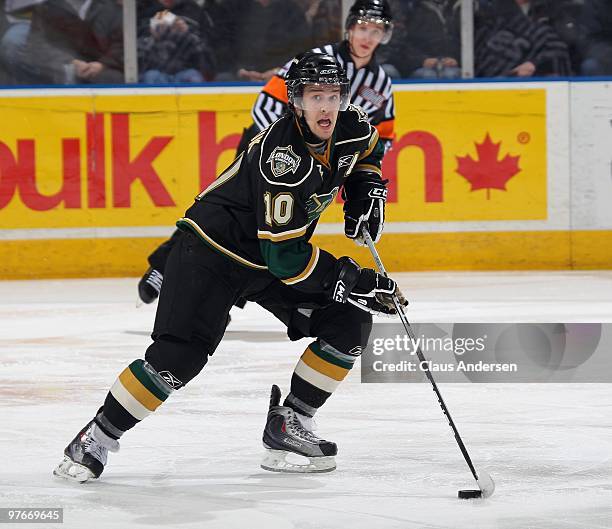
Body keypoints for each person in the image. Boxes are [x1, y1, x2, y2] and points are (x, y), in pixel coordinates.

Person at [54, 52, 406, 481]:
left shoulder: (352, 127)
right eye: (316, 96)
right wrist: (351, 278)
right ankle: (95, 438)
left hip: (263, 258)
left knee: (348, 324)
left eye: (334, 95)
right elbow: (288, 259)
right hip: (210, 254)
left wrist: (367, 186)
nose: (327, 106)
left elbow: (367, 151)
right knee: (178, 358)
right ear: (296, 100)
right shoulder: (284, 160)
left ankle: (288, 423)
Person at [137, 0, 396, 305]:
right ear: (350, 27)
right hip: (267, 154)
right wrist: (292, 151)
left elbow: (383, 136)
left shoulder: (380, 84)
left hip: (321, 164)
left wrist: (360, 179)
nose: (367, 37)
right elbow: (265, 104)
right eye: (363, 28)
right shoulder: (317, 60)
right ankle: (165, 266)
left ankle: (226, 289)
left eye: (376, 31)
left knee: (283, 229)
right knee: (227, 215)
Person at [474, 0, 571, 78]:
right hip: (496, 83)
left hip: (538, 79)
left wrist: (535, 64)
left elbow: (561, 46)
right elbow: (481, 51)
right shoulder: (490, 12)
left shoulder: (552, 8)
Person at [137, 0, 216, 83]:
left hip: (186, 71)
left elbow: (210, 51)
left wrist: (188, 33)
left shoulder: (195, 10)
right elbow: (133, 56)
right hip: (153, 72)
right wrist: (152, 36)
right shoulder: (143, 8)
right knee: (151, 76)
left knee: (194, 77)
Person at [385, 0, 462, 79]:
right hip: (418, 67)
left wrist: (457, 59)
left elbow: (470, 43)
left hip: (454, 66)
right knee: (428, 75)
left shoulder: (462, 7)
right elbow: (403, 44)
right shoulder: (411, 9)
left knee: (451, 74)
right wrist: (421, 61)